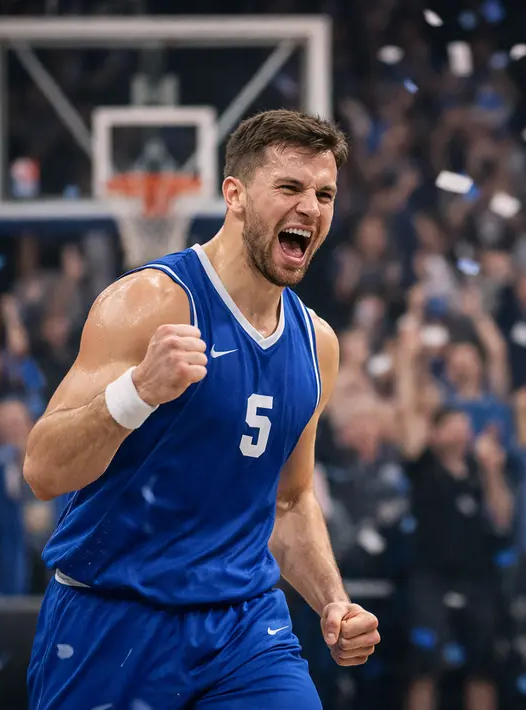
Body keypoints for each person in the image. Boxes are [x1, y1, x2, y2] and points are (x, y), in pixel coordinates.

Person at [22, 109, 380, 709]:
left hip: (245, 627)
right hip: (115, 618)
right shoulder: (148, 301)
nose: (311, 208)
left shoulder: (318, 344)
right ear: (234, 196)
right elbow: (42, 468)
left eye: (324, 194)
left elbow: (289, 501)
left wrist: (332, 600)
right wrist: (135, 393)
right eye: (289, 188)